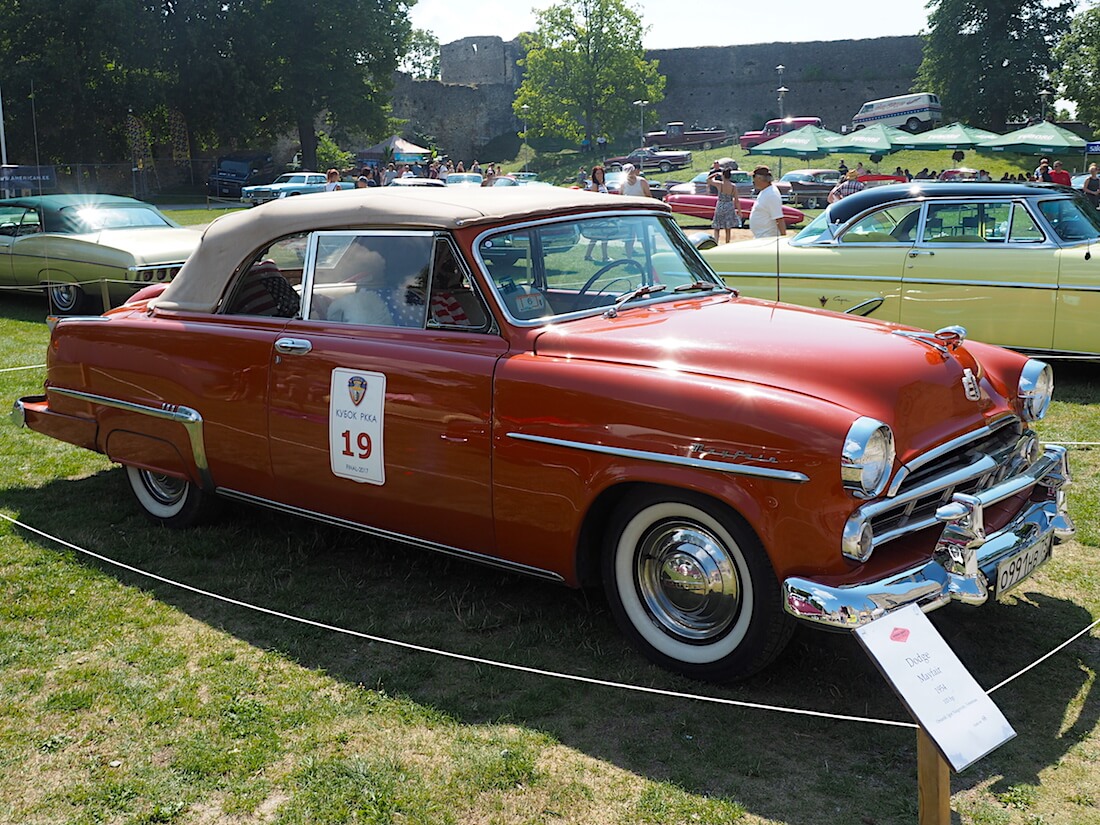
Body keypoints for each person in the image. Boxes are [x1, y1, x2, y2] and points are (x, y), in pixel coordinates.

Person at [748, 165, 786, 239]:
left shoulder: (771, 194)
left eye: (754, 177)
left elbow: (779, 219)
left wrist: (783, 239)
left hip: (768, 238)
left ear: (759, 178)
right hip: (761, 237)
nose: (753, 181)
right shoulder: (765, 191)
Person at [708, 167, 742, 244]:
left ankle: (716, 242)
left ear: (723, 175)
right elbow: (736, 200)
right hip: (729, 205)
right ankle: (727, 242)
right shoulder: (733, 186)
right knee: (728, 227)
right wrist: (739, 211)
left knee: (717, 227)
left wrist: (715, 174)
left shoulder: (720, 184)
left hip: (720, 204)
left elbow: (708, 180)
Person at [584, 166, 611, 261]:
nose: (600, 175)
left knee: (595, 236)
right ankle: (605, 256)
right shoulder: (595, 185)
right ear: (594, 175)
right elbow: (594, 199)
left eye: (601, 173)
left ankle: (587, 255)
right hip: (599, 214)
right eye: (597, 173)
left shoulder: (603, 184)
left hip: (604, 213)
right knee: (604, 234)